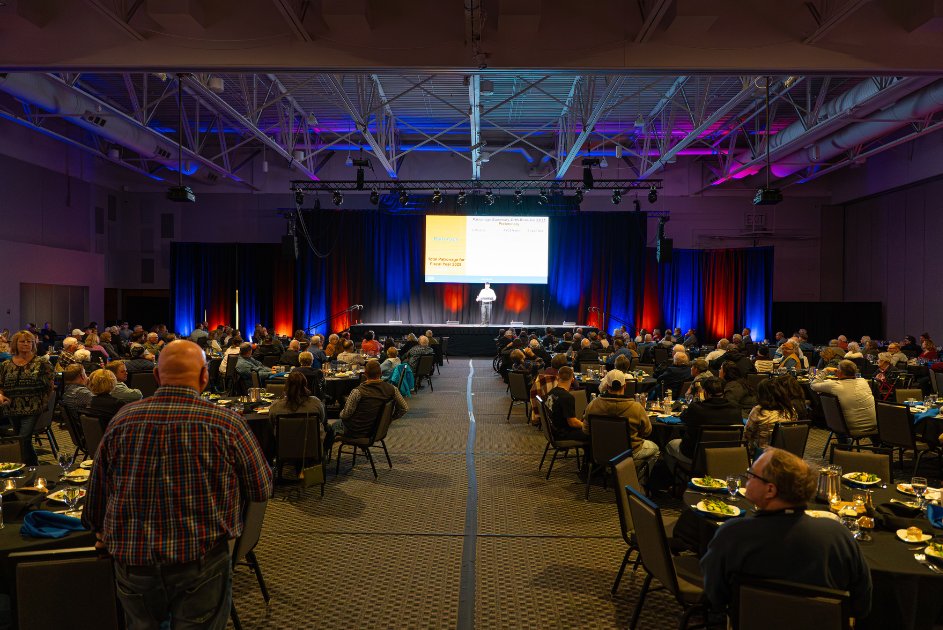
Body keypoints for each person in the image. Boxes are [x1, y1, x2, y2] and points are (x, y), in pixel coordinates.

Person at [83, 340, 272, 629]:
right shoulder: (228, 423)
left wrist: (98, 531)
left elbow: (98, 491)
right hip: (201, 560)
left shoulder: (122, 419)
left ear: (157, 377)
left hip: (134, 561)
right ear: (205, 377)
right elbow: (261, 489)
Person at [700, 448, 872, 620]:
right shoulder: (839, 535)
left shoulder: (733, 534)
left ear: (770, 490)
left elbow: (715, 596)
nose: (747, 480)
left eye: (751, 475)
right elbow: (862, 604)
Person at [582, 372, 659, 472]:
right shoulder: (636, 407)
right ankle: (637, 481)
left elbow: (586, 430)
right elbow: (647, 432)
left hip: (599, 451)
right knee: (656, 449)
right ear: (625, 385)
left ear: (607, 386)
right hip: (628, 452)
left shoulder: (593, 405)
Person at [664, 377, 742, 473]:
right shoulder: (736, 410)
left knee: (669, 445)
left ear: (705, 393)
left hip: (696, 456)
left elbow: (683, 418)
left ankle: (680, 481)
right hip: (726, 456)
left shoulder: (697, 409)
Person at [0, 330, 54, 465]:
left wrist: (44, 403)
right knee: (22, 440)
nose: (26, 344)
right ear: (15, 344)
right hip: (11, 407)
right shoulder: (6, 364)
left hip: (34, 407)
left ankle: (21, 467)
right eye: (22, 341)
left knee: (23, 439)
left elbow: (50, 386)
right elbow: (1, 384)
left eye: (29, 341)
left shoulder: (41, 362)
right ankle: (33, 467)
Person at [331, 359, 408, 449]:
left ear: (365, 374)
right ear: (381, 373)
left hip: (357, 431)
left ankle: (324, 457)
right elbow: (404, 408)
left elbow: (345, 415)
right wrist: (389, 419)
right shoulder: (393, 389)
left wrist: (340, 413)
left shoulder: (357, 392)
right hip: (378, 430)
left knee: (332, 426)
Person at [810, 359, 877, 434]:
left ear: (840, 372)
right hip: (874, 424)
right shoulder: (863, 381)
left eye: (838, 368)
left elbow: (813, 385)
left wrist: (826, 370)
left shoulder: (834, 386)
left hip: (850, 427)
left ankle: (843, 443)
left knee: (836, 412)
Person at [744, 378, 797, 456]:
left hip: (763, 454)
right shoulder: (790, 410)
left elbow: (747, 435)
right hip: (786, 453)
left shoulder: (759, 411)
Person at [545, 367, 589, 447]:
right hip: (562, 434)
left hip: (553, 430)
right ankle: (590, 459)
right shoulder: (567, 397)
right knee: (592, 433)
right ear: (572, 379)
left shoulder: (551, 392)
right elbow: (572, 423)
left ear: (558, 377)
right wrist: (587, 426)